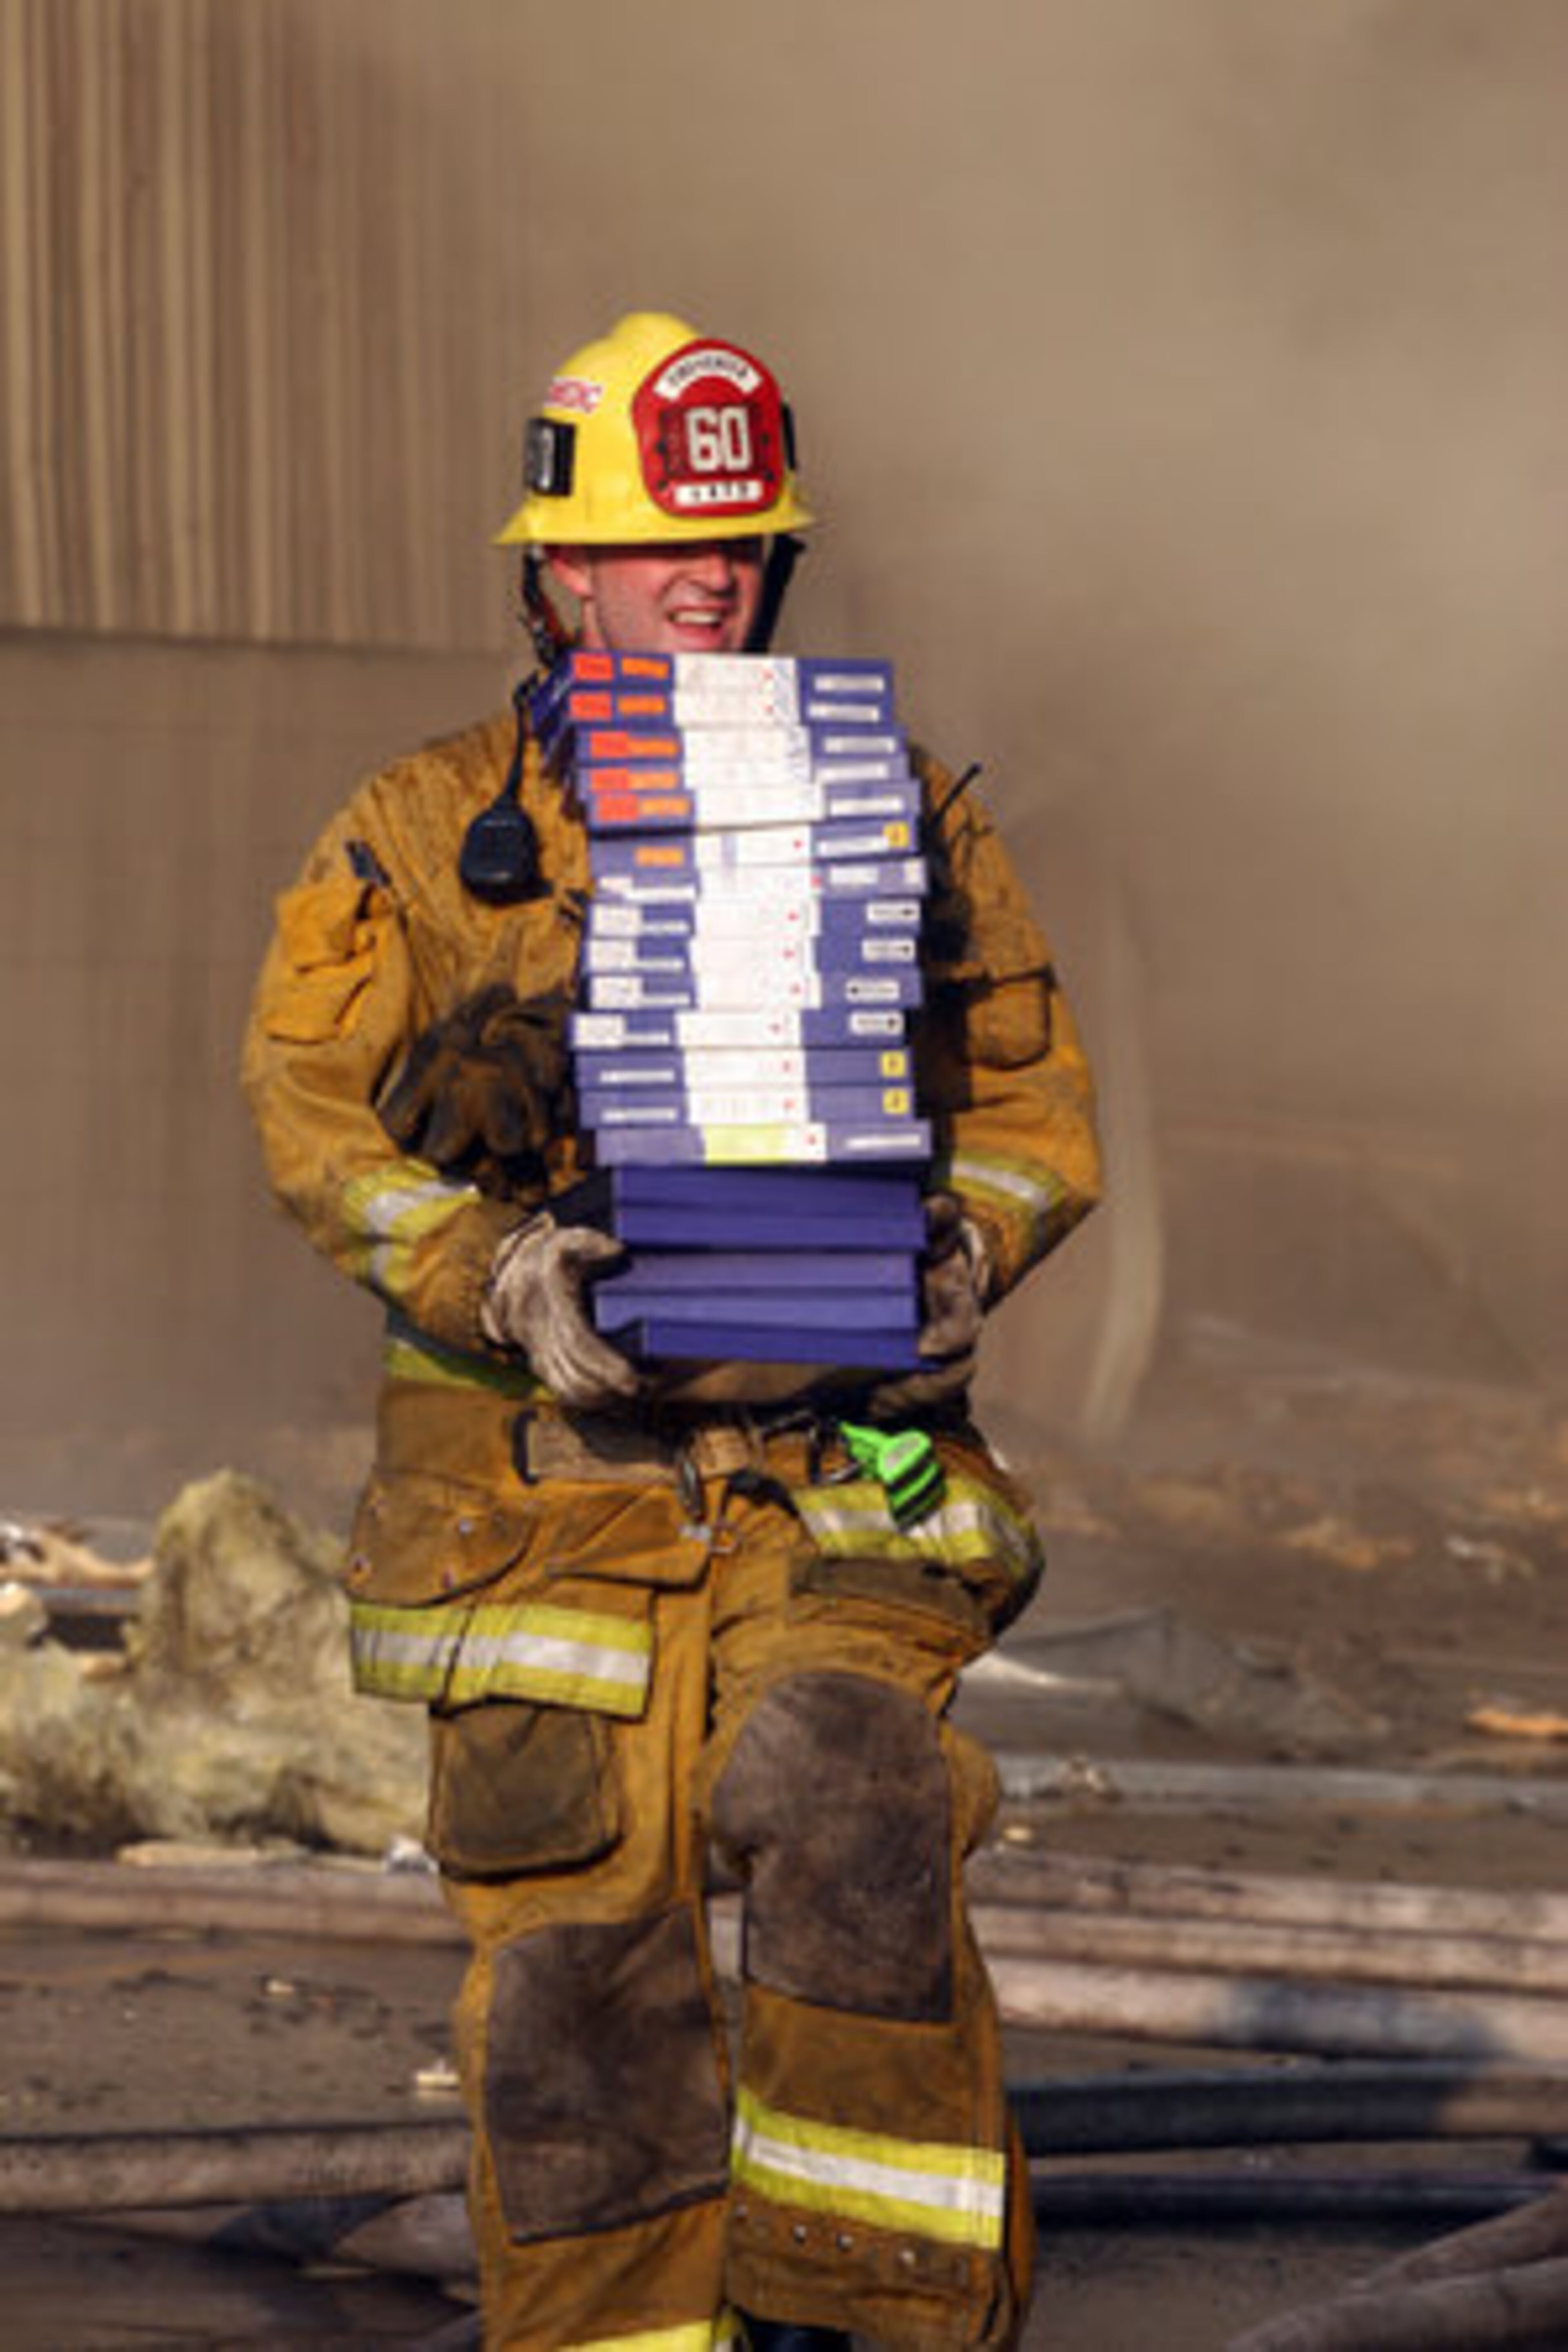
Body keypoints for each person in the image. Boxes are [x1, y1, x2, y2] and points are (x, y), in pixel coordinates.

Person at [243, 310, 1101, 2352]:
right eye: (656, 546)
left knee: (851, 1791)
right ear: (558, 572)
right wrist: (496, 1271)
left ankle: (870, 2321)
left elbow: (1032, 1104)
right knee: (580, 1985)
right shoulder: (419, 836)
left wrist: (966, 1249)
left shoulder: (891, 814)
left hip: (834, 1484)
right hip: (536, 1520)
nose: (705, 579)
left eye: (736, 544)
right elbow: (307, 1118)